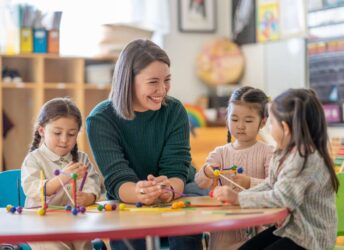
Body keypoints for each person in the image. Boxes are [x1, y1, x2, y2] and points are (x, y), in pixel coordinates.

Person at [86, 39, 203, 250]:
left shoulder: (175, 111)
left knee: (185, 233)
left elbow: (177, 168)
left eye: (167, 80)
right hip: (128, 199)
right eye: (153, 82)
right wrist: (141, 192)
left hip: (176, 191)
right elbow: (117, 178)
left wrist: (169, 189)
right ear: (128, 81)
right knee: (131, 239)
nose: (162, 89)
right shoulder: (101, 119)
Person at [213, 89, 339, 250]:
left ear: (285, 128)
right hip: (292, 229)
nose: (269, 128)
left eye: (272, 123)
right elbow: (271, 184)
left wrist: (239, 199)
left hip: (310, 238)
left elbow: (282, 198)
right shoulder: (282, 152)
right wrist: (239, 196)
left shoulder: (305, 158)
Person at [195, 86, 273, 250]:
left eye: (249, 120)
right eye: (235, 119)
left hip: (257, 231)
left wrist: (248, 182)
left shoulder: (268, 152)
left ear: (263, 122)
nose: (241, 126)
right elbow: (199, 183)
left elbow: (274, 186)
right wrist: (207, 172)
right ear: (227, 118)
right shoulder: (220, 153)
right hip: (224, 232)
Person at [21, 97, 101, 250]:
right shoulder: (34, 159)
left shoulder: (82, 159)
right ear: (42, 130)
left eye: (71, 134)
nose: (64, 140)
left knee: (84, 244)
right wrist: (62, 178)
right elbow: (33, 189)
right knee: (58, 247)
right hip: (39, 225)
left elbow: (94, 183)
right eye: (57, 133)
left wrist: (89, 197)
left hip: (73, 223)